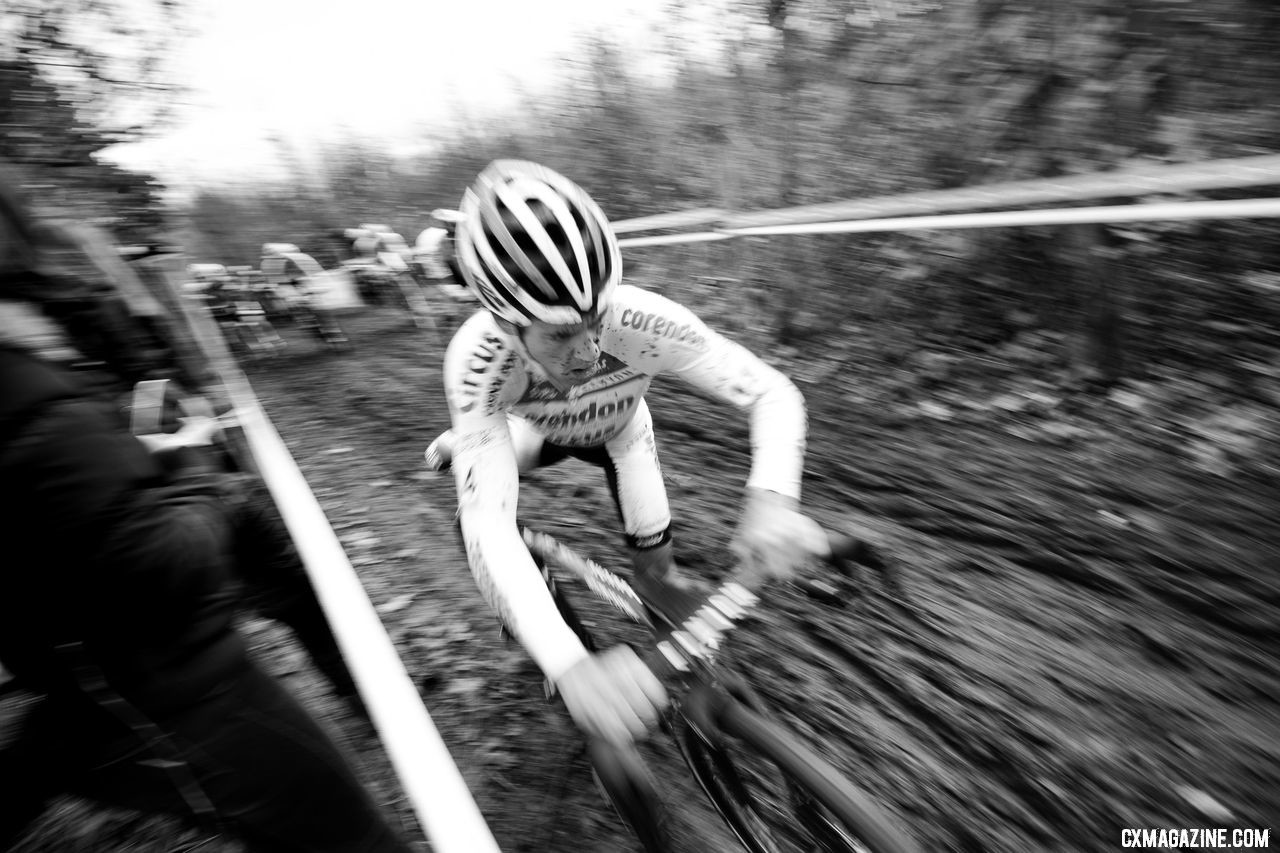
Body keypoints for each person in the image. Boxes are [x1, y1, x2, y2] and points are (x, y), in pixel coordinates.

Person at [0, 177, 412, 852]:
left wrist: (173, 409)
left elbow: (143, 349)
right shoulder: (26, 363)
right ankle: (373, 698)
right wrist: (187, 461)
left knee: (302, 586)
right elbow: (155, 555)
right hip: (157, 658)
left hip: (127, 604)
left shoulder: (68, 282)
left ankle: (374, 696)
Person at [425, 160, 829, 749]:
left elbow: (770, 391)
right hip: (533, 438)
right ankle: (543, 614)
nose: (589, 352)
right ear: (506, 326)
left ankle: (650, 599)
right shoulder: (478, 361)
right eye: (562, 335)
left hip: (620, 433)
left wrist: (772, 499)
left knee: (657, 568)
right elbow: (489, 525)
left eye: (596, 321)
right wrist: (569, 666)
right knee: (481, 515)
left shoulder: (645, 320)